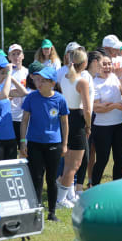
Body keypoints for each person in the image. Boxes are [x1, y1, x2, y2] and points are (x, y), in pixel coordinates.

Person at [20, 67, 69, 221]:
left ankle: (52, 212)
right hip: (34, 143)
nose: (39, 83)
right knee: (37, 177)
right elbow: (25, 120)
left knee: (52, 178)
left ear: (52, 83)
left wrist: (65, 144)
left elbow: (65, 122)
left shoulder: (60, 99)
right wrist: (23, 141)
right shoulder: (31, 97)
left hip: (53, 143)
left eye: (43, 80)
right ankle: (37, 210)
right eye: (37, 80)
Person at [57, 48, 91, 207]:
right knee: (74, 164)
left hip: (66, 118)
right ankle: (60, 199)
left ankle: (66, 195)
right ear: (84, 63)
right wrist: (89, 125)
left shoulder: (65, 77)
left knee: (69, 161)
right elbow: (87, 109)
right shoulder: (82, 81)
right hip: (77, 120)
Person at [91, 54, 122, 185]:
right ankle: (94, 185)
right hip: (102, 127)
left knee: (120, 159)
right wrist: (115, 106)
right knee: (102, 159)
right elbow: (97, 108)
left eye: (109, 64)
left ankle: (116, 187)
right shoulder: (94, 83)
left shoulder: (115, 78)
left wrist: (121, 78)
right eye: (104, 64)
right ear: (97, 65)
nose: (107, 67)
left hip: (120, 125)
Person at [0, 54, 27, 160]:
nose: (4, 75)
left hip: (10, 136)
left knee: (10, 172)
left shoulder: (3, 87)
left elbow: (23, 92)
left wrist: (10, 77)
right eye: (2, 72)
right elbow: (3, 95)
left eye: (5, 72)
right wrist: (8, 74)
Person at [86, 51, 103, 187]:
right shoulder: (86, 77)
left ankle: (87, 182)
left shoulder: (92, 77)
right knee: (83, 153)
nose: (103, 66)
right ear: (95, 62)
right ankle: (72, 186)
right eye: (102, 63)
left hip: (92, 117)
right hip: (85, 118)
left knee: (90, 151)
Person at [8, 44, 29, 150]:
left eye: (18, 53)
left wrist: (13, 92)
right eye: (13, 54)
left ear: (23, 56)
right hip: (9, 116)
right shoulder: (6, 72)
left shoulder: (27, 72)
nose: (16, 56)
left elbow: (28, 92)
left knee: (24, 149)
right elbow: (5, 92)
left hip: (23, 116)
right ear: (9, 57)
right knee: (11, 150)